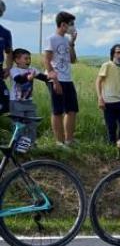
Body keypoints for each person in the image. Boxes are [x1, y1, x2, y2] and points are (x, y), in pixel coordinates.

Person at [9, 48, 56, 152]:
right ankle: (16, 147)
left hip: (28, 102)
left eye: (29, 58)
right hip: (16, 102)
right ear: (17, 60)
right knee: (18, 124)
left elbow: (43, 78)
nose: (28, 61)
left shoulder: (32, 70)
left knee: (32, 123)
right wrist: (28, 77)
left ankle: (30, 145)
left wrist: (50, 76)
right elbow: (19, 80)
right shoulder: (14, 70)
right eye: (25, 58)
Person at [44, 11, 78, 147]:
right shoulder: (51, 39)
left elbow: (73, 60)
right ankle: (59, 142)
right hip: (55, 79)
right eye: (71, 24)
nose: (73, 27)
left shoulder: (66, 40)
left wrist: (72, 43)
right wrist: (55, 80)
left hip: (67, 78)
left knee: (72, 110)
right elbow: (46, 60)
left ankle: (69, 140)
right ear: (63, 24)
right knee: (57, 111)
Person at [96, 44, 120, 144]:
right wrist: (100, 98)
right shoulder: (107, 65)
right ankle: (111, 149)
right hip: (108, 102)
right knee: (111, 128)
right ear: (113, 54)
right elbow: (98, 81)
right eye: (118, 52)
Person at [0, 0, 13, 114]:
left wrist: (8, 68)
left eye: (1, 12)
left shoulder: (5, 32)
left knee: (5, 103)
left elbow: (9, 52)